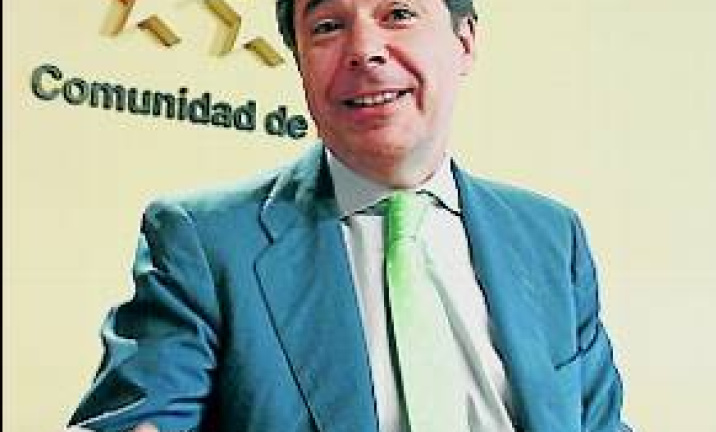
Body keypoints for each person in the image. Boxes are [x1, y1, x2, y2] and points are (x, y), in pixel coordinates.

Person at [64, 0, 632, 431]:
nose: (365, 50)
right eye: (328, 26)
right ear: (300, 64)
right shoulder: (205, 242)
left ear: (465, 42)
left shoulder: (550, 237)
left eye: (398, 14)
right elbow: (141, 416)